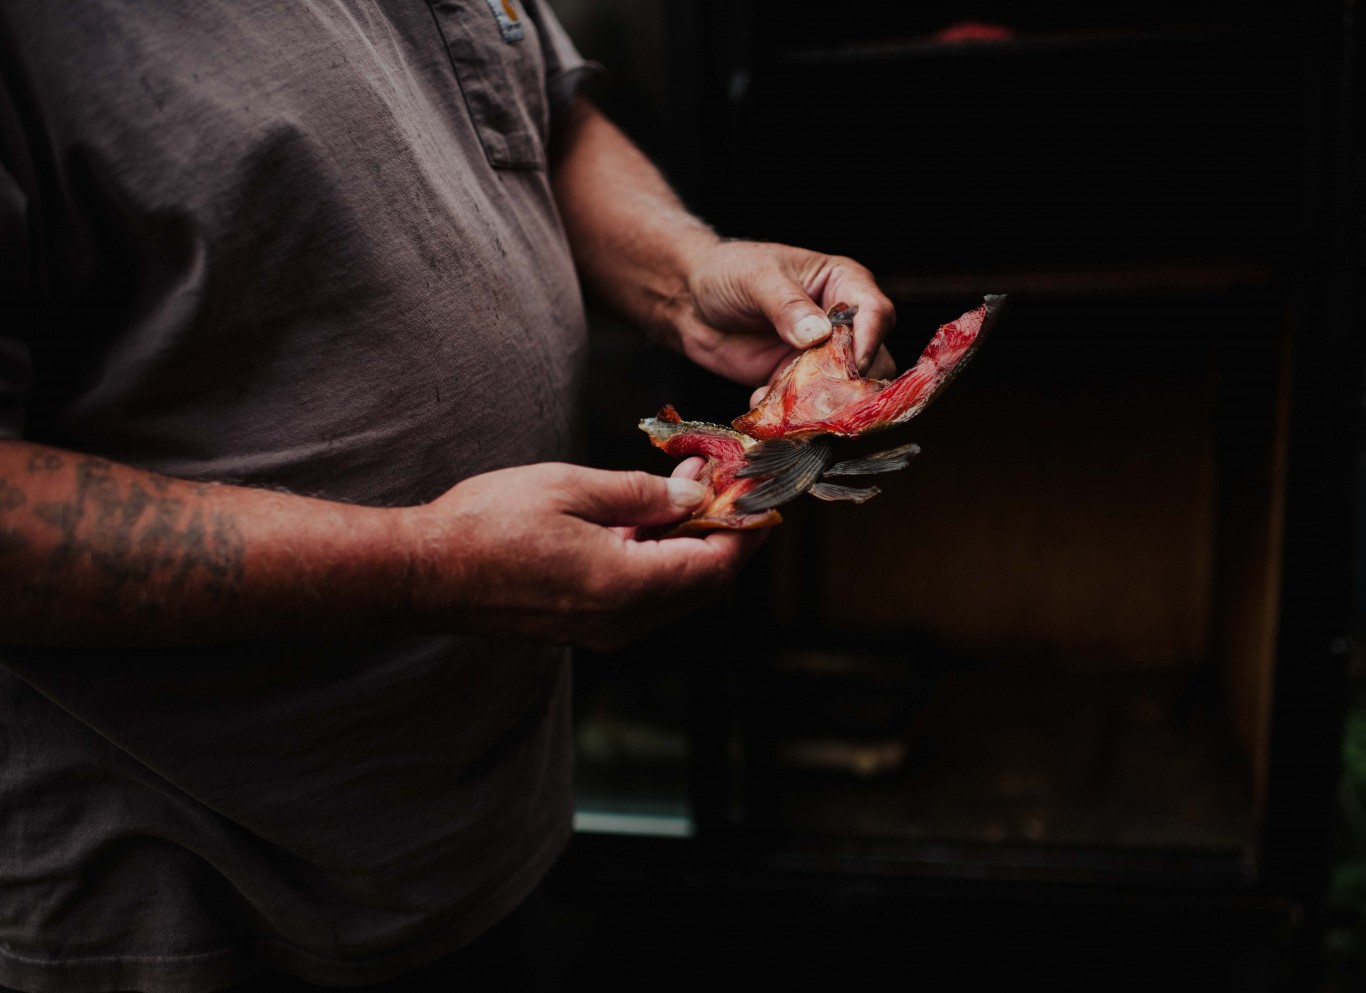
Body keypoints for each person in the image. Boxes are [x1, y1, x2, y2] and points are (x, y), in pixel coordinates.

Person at [0, 2, 893, 991]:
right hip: (187, 892)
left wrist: (686, 276)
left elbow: (535, 115)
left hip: (478, 833)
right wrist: (434, 562)